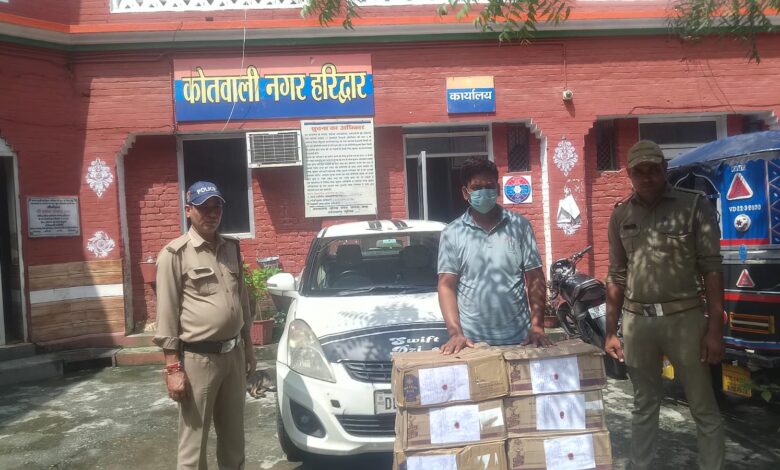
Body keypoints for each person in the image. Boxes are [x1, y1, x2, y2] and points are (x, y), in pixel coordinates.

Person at [604, 140, 725, 470]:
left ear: (664, 169)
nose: (647, 177)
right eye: (639, 171)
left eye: (653, 169)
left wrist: (715, 329)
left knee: (702, 405)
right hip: (637, 322)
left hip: (684, 320)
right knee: (644, 404)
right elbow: (616, 274)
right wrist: (611, 331)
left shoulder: (693, 205)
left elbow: (712, 268)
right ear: (629, 174)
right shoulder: (620, 215)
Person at [154, 181, 256, 470]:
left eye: (217, 207)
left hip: (233, 355)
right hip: (199, 360)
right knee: (194, 444)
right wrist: (172, 369)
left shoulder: (231, 248)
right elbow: (166, 314)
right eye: (204, 208)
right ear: (188, 210)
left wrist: (249, 349)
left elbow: (242, 302)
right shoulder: (175, 254)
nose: (212, 213)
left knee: (234, 439)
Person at [437, 157, 552, 354]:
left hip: (521, 341)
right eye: (477, 188)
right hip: (471, 344)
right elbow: (446, 285)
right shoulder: (452, 233)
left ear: (498, 189)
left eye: (489, 186)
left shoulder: (520, 226)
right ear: (465, 193)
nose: (484, 192)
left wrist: (537, 326)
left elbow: (535, 278)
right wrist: (455, 333)